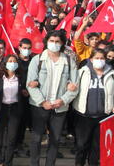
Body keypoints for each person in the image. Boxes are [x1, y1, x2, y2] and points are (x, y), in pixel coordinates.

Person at [26, 30, 78, 166]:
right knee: (36, 139)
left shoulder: (68, 61)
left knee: (55, 140)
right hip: (39, 106)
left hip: (59, 108)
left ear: (61, 43)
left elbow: (75, 86)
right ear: (47, 41)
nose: (54, 44)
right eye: (51, 41)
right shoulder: (37, 60)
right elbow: (30, 84)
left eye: (57, 42)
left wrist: (63, 100)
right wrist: (43, 102)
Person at [72, 48, 114, 166]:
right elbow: (73, 89)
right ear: (91, 59)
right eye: (97, 58)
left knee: (97, 147)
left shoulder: (112, 74)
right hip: (83, 116)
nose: (99, 60)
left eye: (102, 58)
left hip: (103, 117)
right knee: (81, 145)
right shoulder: (82, 72)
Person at [0, 54, 26, 166]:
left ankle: (8, 162)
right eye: (10, 61)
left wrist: (25, 92)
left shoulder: (20, 77)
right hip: (2, 109)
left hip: (15, 109)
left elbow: (24, 91)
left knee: (11, 139)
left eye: (14, 61)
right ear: (5, 63)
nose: (12, 63)